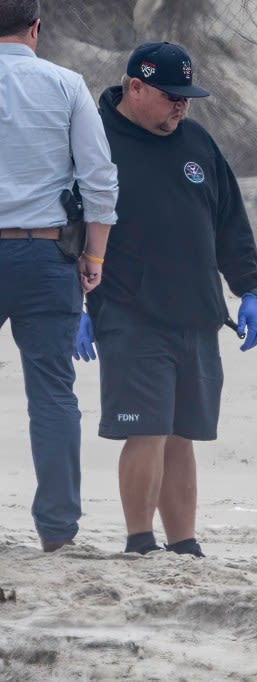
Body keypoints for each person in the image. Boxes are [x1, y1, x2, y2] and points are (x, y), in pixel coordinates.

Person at [73, 41, 257, 556]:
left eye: (187, 97)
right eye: (170, 96)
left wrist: (249, 289)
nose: (181, 106)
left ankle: (184, 545)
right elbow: (71, 226)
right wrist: (77, 304)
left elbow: (230, 224)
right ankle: (139, 541)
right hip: (128, 313)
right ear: (135, 87)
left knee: (183, 434)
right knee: (149, 431)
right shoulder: (95, 143)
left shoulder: (198, 143)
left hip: (198, 313)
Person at [0, 0, 118, 552]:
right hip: (46, 254)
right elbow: (99, 179)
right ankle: (57, 531)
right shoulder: (67, 84)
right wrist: (93, 257)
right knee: (51, 393)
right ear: (37, 28)